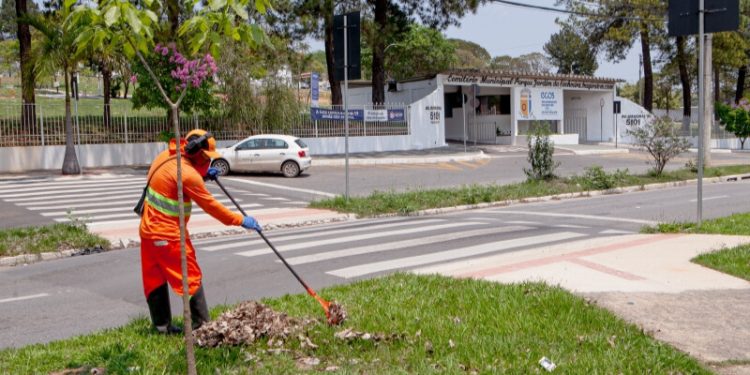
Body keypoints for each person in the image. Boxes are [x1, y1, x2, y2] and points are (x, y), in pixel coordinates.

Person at [139, 129, 262, 334]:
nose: (208, 162)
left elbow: (173, 181)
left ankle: (161, 327)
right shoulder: (187, 175)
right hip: (169, 235)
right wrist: (241, 220)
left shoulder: (166, 157)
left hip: (148, 233)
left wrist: (203, 174)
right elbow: (212, 206)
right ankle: (202, 327)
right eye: (206, 159)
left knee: (155, 279)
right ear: (196, 153)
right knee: (191, 278)